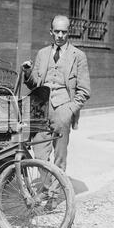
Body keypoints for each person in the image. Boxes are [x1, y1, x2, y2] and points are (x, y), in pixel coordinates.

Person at [22, 15, 91, 172]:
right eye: (57, 31)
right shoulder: (42, 53)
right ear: (51, 32)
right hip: (40, 108)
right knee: (39, 155)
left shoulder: (78, 56)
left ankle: (54, 193)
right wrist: (27, 73)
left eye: (64, 32)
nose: (60, 35)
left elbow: (85, 90)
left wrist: (69, 110)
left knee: (60, 156)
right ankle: (46, 189)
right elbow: (35, 84)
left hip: (63, 108)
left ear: (69, 32)